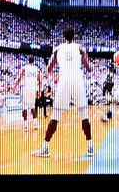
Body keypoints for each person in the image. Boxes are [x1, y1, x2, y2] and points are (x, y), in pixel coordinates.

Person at [31, 27, 96, 160]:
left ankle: (45, 148)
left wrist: (55, 74)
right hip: (77, 80)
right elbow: (88, 69)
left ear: (63, 37)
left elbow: (49, 68)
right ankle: (90, 148)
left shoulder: (57, 49)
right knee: (84, 115)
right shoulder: (80, 48)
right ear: (74, 36)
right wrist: (90, 66)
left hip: (64, 80)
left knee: (55, 116)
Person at [14, 57, 42, 132]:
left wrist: (15, 86)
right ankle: (35, 124)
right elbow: (40, 81)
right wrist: (39, 91)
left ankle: (26, 126)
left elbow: (19, 78)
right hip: (33, 89)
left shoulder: (25, 67)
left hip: (26, 88)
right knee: (33, 107)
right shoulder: (37, 69)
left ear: (28, 61)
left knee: (24, 108)